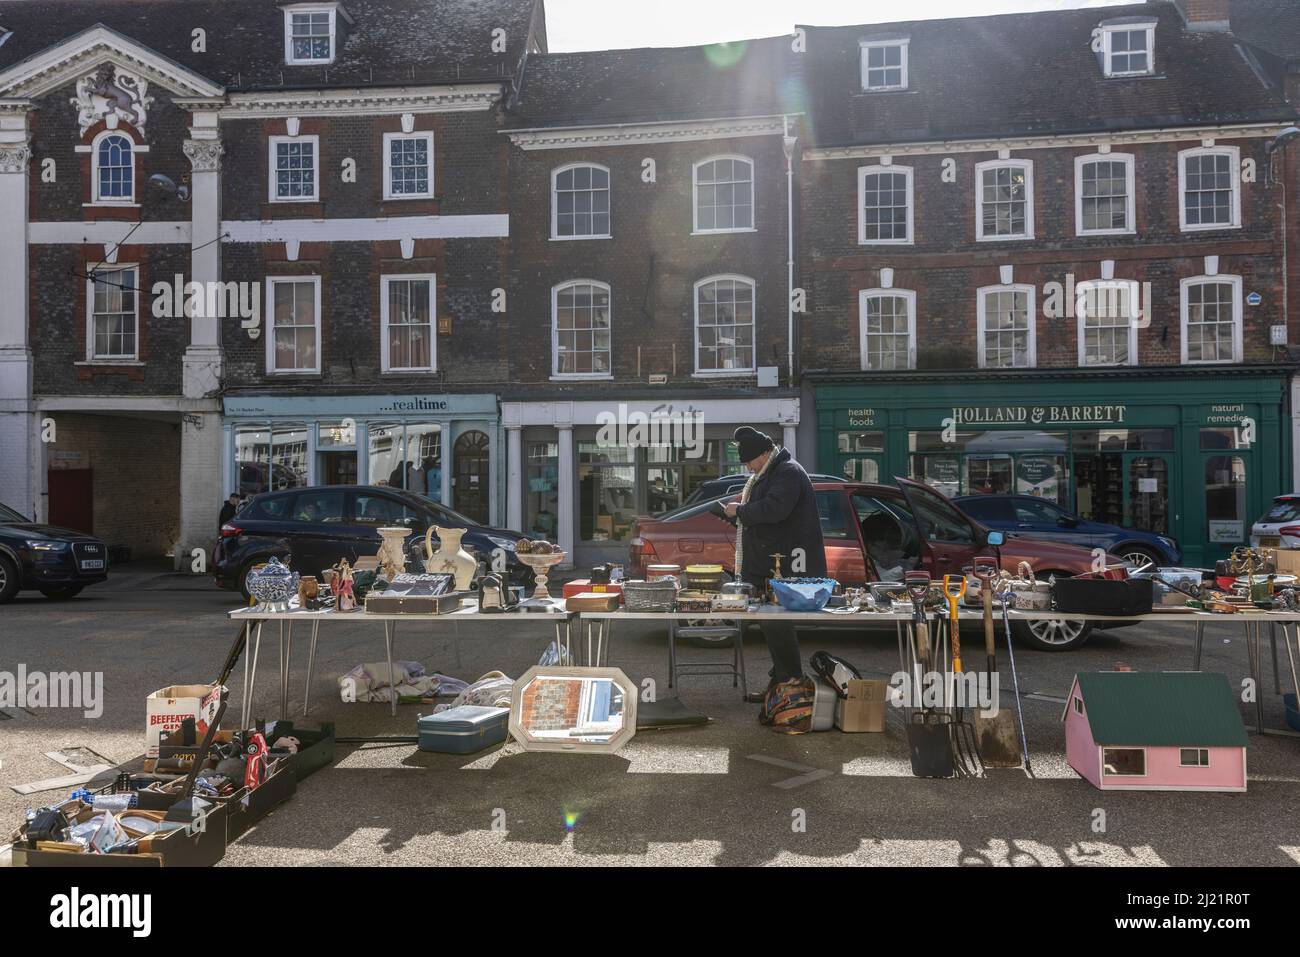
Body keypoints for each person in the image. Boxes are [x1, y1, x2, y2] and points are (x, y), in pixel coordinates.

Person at [723, 427, 826, 703]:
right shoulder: (772, 472)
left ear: (765, 453)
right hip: (772, 563)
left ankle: (789, 681)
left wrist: (740, 511)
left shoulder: (787, 472)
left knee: (777, 624)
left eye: (750, 461)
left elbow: (775, 509)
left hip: (785, 564)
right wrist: (737, 514)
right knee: (773, 624)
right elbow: (767, 510)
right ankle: (781, 681)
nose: (748, 467)